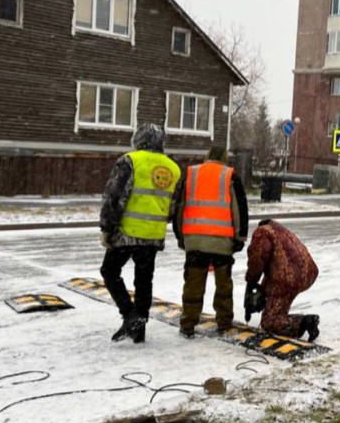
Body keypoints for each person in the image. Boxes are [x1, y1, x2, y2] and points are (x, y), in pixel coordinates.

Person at [99, 123, 180, 344]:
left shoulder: (130, 161)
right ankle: (139, 328)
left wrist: (107, 228)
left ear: (138, 139)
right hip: (153, 235)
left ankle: (130, 315)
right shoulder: (174, 168)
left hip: (126, 233)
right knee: (144, 280)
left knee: (109, 271)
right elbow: (174, 206)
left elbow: (114, 197)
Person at [173, 146, 249, 338]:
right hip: (222, 243)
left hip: (195, 241)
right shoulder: (230, 176)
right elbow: (239, 209)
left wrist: (180, 236)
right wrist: (240, 237)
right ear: (224, 158)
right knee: (223, 285)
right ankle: (223, 321)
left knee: (193, 284)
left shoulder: (191, 174)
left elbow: (179, 207)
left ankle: (188, 323)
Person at [244, 219, 320, 342]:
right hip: (307, 273)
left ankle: (304, 323)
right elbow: (276, 265)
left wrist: (251, 282)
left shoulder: (262, 232)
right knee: (278, 300)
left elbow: (257, 260)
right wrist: (262, 290)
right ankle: (293, 319)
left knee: (268, 321)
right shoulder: (281, 231)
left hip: (288, 278)